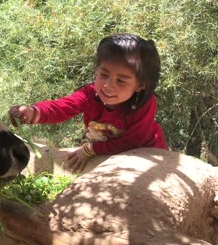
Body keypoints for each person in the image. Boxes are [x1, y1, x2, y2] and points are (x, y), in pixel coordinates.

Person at [9, 33, 168, 173]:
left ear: (140, 85)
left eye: (121, 80)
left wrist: (89, 149)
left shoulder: (144, 104)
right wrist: (32, 112)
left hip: (148, 154)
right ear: (96, 70)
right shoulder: (90, 95)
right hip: (112, 155)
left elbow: (132, 142)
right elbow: (62, 108)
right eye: (103, 74)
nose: (107, 85)